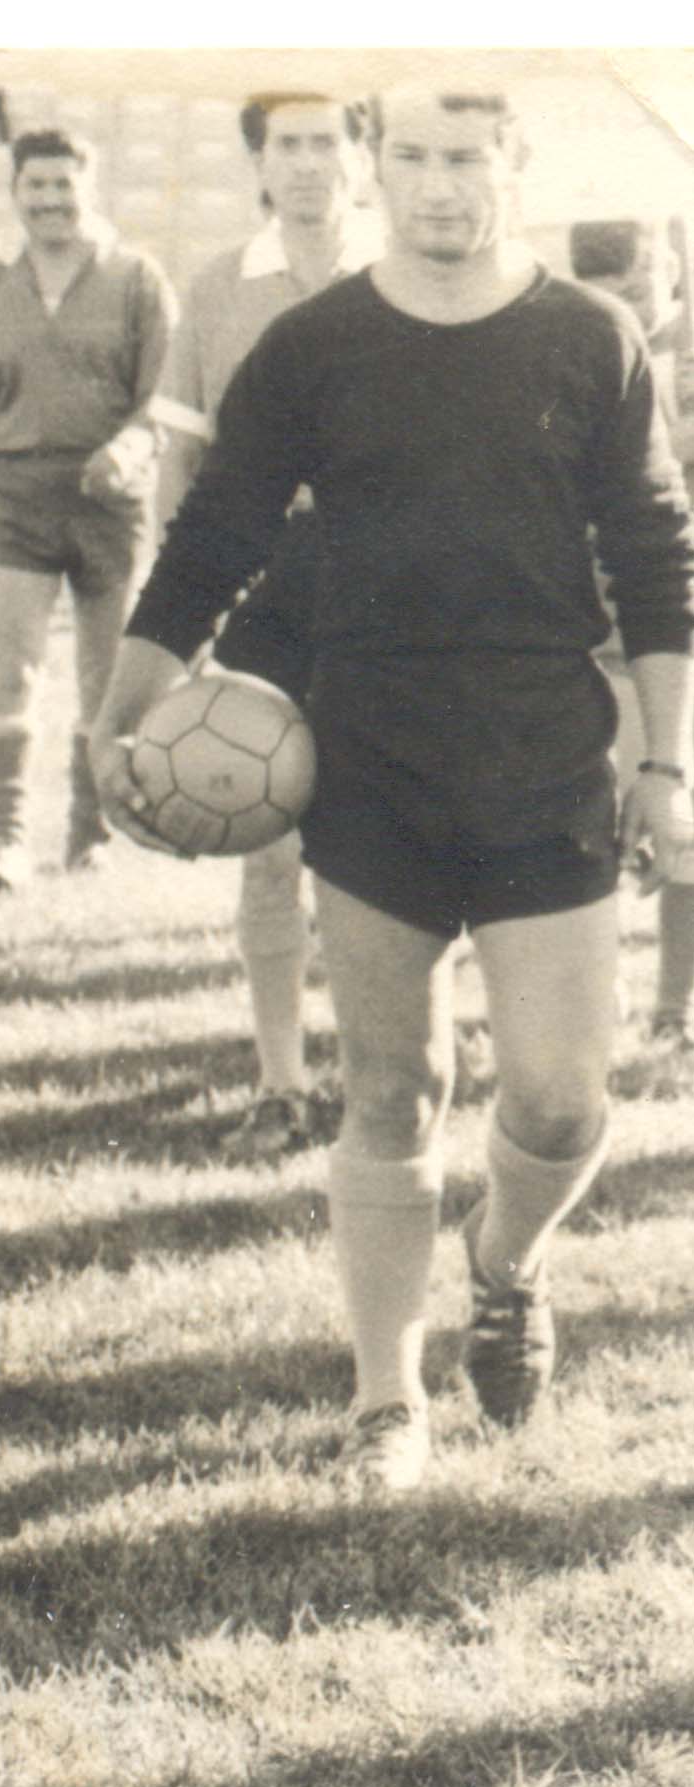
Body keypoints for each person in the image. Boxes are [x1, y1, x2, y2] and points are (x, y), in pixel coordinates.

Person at [92, 91, 693, 1492]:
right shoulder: (313, 346)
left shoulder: (588, 338)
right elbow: (214, 533)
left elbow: (658, 557)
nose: (435, 186)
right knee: (390, 1085)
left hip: (545, 749)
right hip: (366, 754)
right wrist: (118, 707)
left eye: (465, 158)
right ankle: (386, 1400)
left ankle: (503, 1263)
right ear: (374, 164)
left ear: (514, 161)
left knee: (553, 1102)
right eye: (410, 156)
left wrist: (663, 760)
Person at [151, 93, 379, 1162]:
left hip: (397, 577)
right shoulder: (217, 287)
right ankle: (282, 1081)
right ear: (257, 157)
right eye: (286, 143)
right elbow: (181, 462)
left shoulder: (405, 271)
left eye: (327, 140)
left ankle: (386, 1068)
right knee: (267, 835)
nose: (307, 163)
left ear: (360, 153)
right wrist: (186, 608)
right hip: (268, 579)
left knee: (397, 832)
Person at [0, 128, 178, 893]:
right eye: (34, 185)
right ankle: (4, 841)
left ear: (91, 185)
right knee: (13, 674)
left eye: (62, 184)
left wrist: (130, 448)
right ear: (15, 193)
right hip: (16, 496)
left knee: (106, 681)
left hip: (110, 503)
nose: (49, 199)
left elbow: (163, 402)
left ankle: (92, 833)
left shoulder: (139, 280)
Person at [570, 216, 694, 1095]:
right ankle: (587, 995)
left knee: (683, 816)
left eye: (642, 277)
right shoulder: (574, 347)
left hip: (678, 618)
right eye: (606, 284)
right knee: (598, 820)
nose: (630, 299)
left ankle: (677, 1007)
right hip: (597, 623)